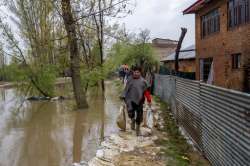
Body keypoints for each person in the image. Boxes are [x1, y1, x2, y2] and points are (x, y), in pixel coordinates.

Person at [121, 66, 152, 136]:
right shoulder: (129, 80)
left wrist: (149, 100)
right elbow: (126, 90)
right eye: (135, 72)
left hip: (140, 100)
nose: (136, 73)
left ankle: (138, 128)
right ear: (133, 72)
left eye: (138, 72)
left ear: (140, 73)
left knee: (139, 115)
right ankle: (132, 120)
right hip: (129, 100)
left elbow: (146, 92)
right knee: (130, 113)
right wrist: (123, 98)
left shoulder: (143, 81)